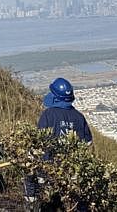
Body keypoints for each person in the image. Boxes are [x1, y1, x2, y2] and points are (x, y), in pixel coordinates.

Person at [24, 77, 92, 209]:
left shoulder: (48, 115)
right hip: (73, 172)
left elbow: (39, 141)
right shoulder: (79, 117)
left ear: (55, 97)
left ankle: (31, 202)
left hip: (48, 170)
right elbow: (88, 142)